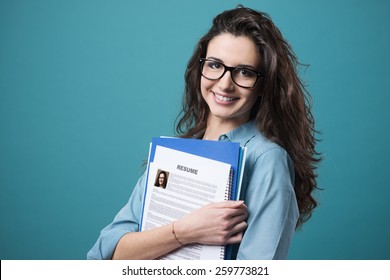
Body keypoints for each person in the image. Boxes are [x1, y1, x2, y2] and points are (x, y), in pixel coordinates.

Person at [87, 6, 320, 260]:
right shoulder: (172, 153)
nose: (224, 83)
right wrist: (185, 231)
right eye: (215, 65)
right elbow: (103, 256)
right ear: (200, 68)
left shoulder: (267, 160)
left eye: (244, 71)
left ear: (263, 84)